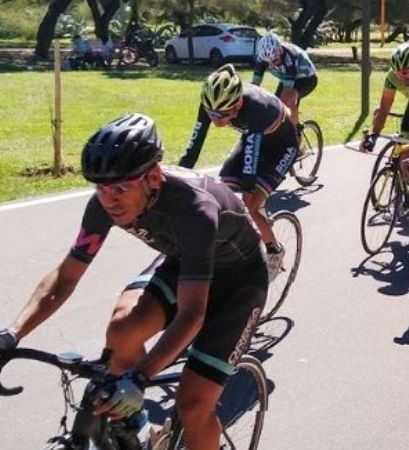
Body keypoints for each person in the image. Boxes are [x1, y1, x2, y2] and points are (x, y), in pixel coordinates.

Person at [0, 113, 268, 450]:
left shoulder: (195, 210)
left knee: (193, 405)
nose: (109, 199)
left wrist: (139, 377)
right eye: (100, 188)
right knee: (122, 329)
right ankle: (130, 426)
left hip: (240, 280)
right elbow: (65, 278)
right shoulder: (103, 204)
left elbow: (193, 312)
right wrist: (12, 332)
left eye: (121, 188)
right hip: (186, 259)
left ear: (153, 177)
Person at [179, 63, 298, 281]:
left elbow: (250, 167)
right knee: (220, 194)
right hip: (254, 140)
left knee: (250, 205)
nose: (215, 120)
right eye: (211, 113)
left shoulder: (256, 109)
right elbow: (194, 146)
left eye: (222, 115)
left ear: (238, 104)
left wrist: (247, 198)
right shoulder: (211, 101)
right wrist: (176, 177)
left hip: (281, 147)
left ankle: (274, 251)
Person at [252, 31, 318, 127]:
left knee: (287, 101)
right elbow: (254, 85)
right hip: (287, 78)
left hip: (307, 79)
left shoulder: (290, 56)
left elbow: (287, 91)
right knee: (275, 107)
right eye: (268, 62)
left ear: (280, 50)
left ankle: (295, 132)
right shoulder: (262, 58)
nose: (272, 64)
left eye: (275, 60)